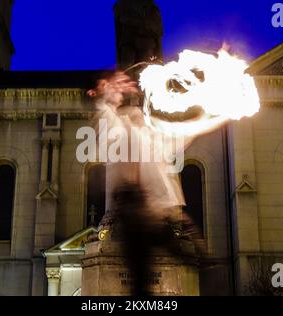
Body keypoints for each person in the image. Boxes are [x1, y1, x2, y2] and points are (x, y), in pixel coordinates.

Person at [88, 72, 229, 295]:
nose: (139, 115)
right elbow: (106, 116)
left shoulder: (154, 134)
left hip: (158, 212)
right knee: (145, 271)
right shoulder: (121, 129)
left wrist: (216, 115)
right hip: (137, 209)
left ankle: (203, 265)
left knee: (181, 257)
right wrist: (109, 93)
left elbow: (187, 130)